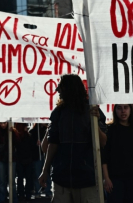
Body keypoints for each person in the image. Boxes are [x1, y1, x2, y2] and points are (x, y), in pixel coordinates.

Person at [39, 74, 107, 203]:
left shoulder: (92, 110)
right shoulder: (58, 112)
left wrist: (95, 123)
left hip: (87, 178)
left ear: (69, 88)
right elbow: (52, 144)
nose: (57, 90)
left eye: (61, 86)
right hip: (62, 177)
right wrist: (45, 171)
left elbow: (103, 142)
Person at [102, 104, 133, 203]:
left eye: (126, 108)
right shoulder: (110, 130)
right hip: (115, 180)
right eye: (119, 108)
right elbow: (104, 157)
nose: (123, 111)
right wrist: (106, 178)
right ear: (115, 111)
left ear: (130, 110)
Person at [0, 121, 18, 203]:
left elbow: (17, 141)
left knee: (12, 181)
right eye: (1, 123)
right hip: (0, 157)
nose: (3, 125)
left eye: (5, 123)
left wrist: (12, 132)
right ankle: (1, 199)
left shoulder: (12, 131)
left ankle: (13, 199)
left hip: (11, 157)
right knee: (1, 180)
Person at [15, 123, 35, 201]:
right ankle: (27, 194)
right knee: (27, 178)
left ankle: (21, 194)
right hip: (26, 159)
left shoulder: (18, 137)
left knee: (21, 178)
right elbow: (32, 147)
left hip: (21, 159)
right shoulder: (27, 136)